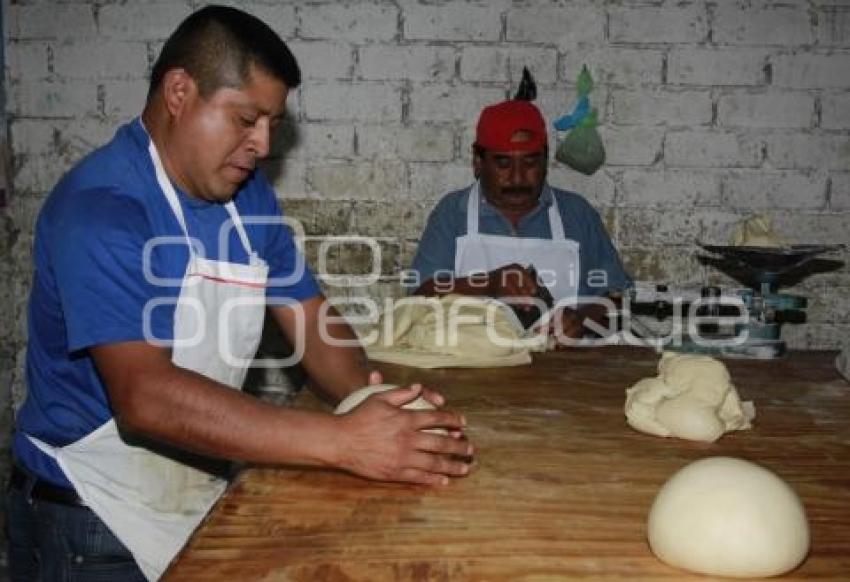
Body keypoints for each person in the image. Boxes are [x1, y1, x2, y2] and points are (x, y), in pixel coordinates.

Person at [5, 6, 472, 581]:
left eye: (273, 123)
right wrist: (342, 440)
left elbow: (314, 325)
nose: (262, 143)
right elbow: (145, 396)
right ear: (180, 91)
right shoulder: (102, 209)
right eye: (247, 118)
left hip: (196, 496)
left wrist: (384, 407)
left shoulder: (246, 201)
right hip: (88, 522)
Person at [408, 99, 630, 340]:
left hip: (565, 370)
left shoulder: (576, 214)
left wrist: (582, 321)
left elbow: (619, 301)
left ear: (545, 160)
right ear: (478, 161)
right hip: (474, 370)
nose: (517, 178)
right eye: (503, 163)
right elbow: (419, 299)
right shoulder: (453, 213)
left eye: (530, 162)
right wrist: (488, 283)